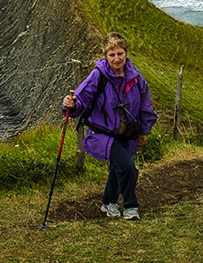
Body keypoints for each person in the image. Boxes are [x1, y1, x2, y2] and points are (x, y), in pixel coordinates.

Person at [62, 32, 157, 220]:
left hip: (126, 134)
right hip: (101, 133)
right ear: (105, 56)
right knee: (128, 167)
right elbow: (81, 99)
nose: (116, 59)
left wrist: (145, 130)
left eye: (120, 53)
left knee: (117, 168)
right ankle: (131, 207)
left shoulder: (136, 77)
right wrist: (71, 105)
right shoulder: (98, 76)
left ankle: (108, 202)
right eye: (112, 55)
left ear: (126, 53)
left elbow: (146, 105)